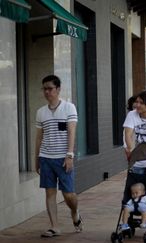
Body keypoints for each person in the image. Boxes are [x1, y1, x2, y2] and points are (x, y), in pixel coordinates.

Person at [35, 75, 82, 237]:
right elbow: (39, 137)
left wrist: (69, 155)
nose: (47, 92)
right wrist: (36, 159)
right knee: (50, 193)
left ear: (58, 89)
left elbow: (71, 131)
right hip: (46, 157)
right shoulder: (41, 112)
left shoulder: (69, 108)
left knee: (69, 194)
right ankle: (54, 226)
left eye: (50, 88)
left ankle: (75, 212)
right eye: (44, 89)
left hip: (63, 157)